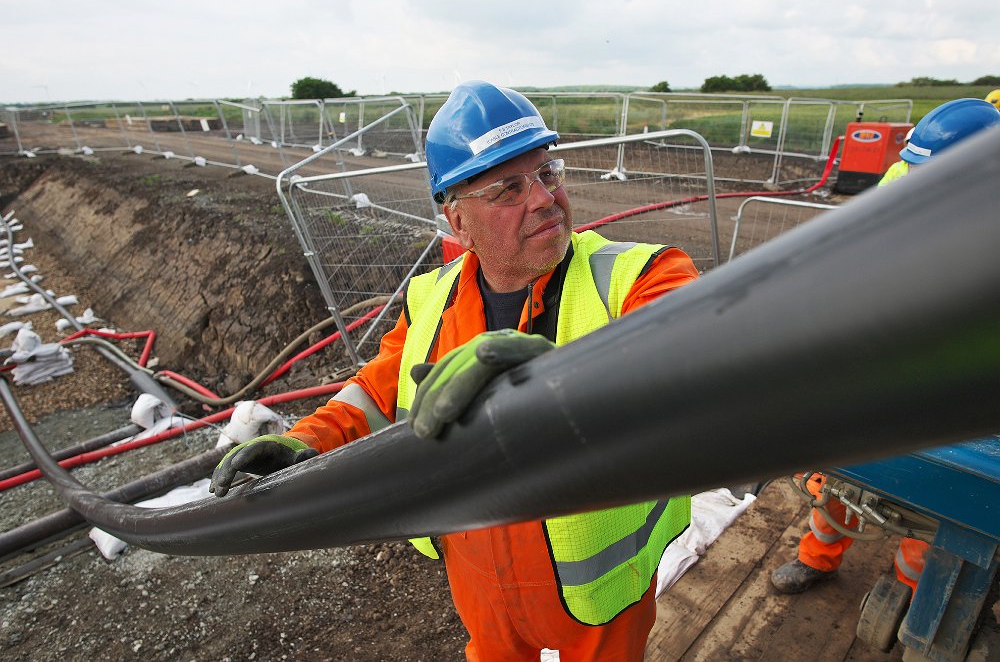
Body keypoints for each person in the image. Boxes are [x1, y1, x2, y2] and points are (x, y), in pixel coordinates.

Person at [210, 79, 700, 660]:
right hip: (477, 567)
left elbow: (690, 349)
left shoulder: (639, 275)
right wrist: (300, 444)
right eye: (507, 189)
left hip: (596, 580)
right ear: (457, 222)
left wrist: (551, 382)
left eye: (548, 174)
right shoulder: (432, 301)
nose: (543, 198)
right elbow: (372, 393)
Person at [772, 97, 1000, 596]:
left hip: (954, 386)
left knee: (937, 502)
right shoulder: (907, 180)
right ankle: (818, 557)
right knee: (838, 480)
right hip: (883, 366)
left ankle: (909, 590)